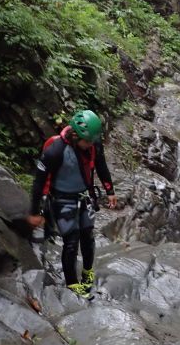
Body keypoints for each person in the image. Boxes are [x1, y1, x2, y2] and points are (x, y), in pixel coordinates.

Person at [26, 109, 118, 299]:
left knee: (87, 235)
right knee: (71, 241)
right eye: (87, 141)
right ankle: (72, 283)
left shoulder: (93, 145)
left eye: (92, 141)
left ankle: (87, 271)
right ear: (75, 135)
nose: (90, 145)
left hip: (85, 196)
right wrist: (35, 211)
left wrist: (110, 191)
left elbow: (101, 166)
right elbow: (39, 182)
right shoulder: (56, 151)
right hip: (62, 199)